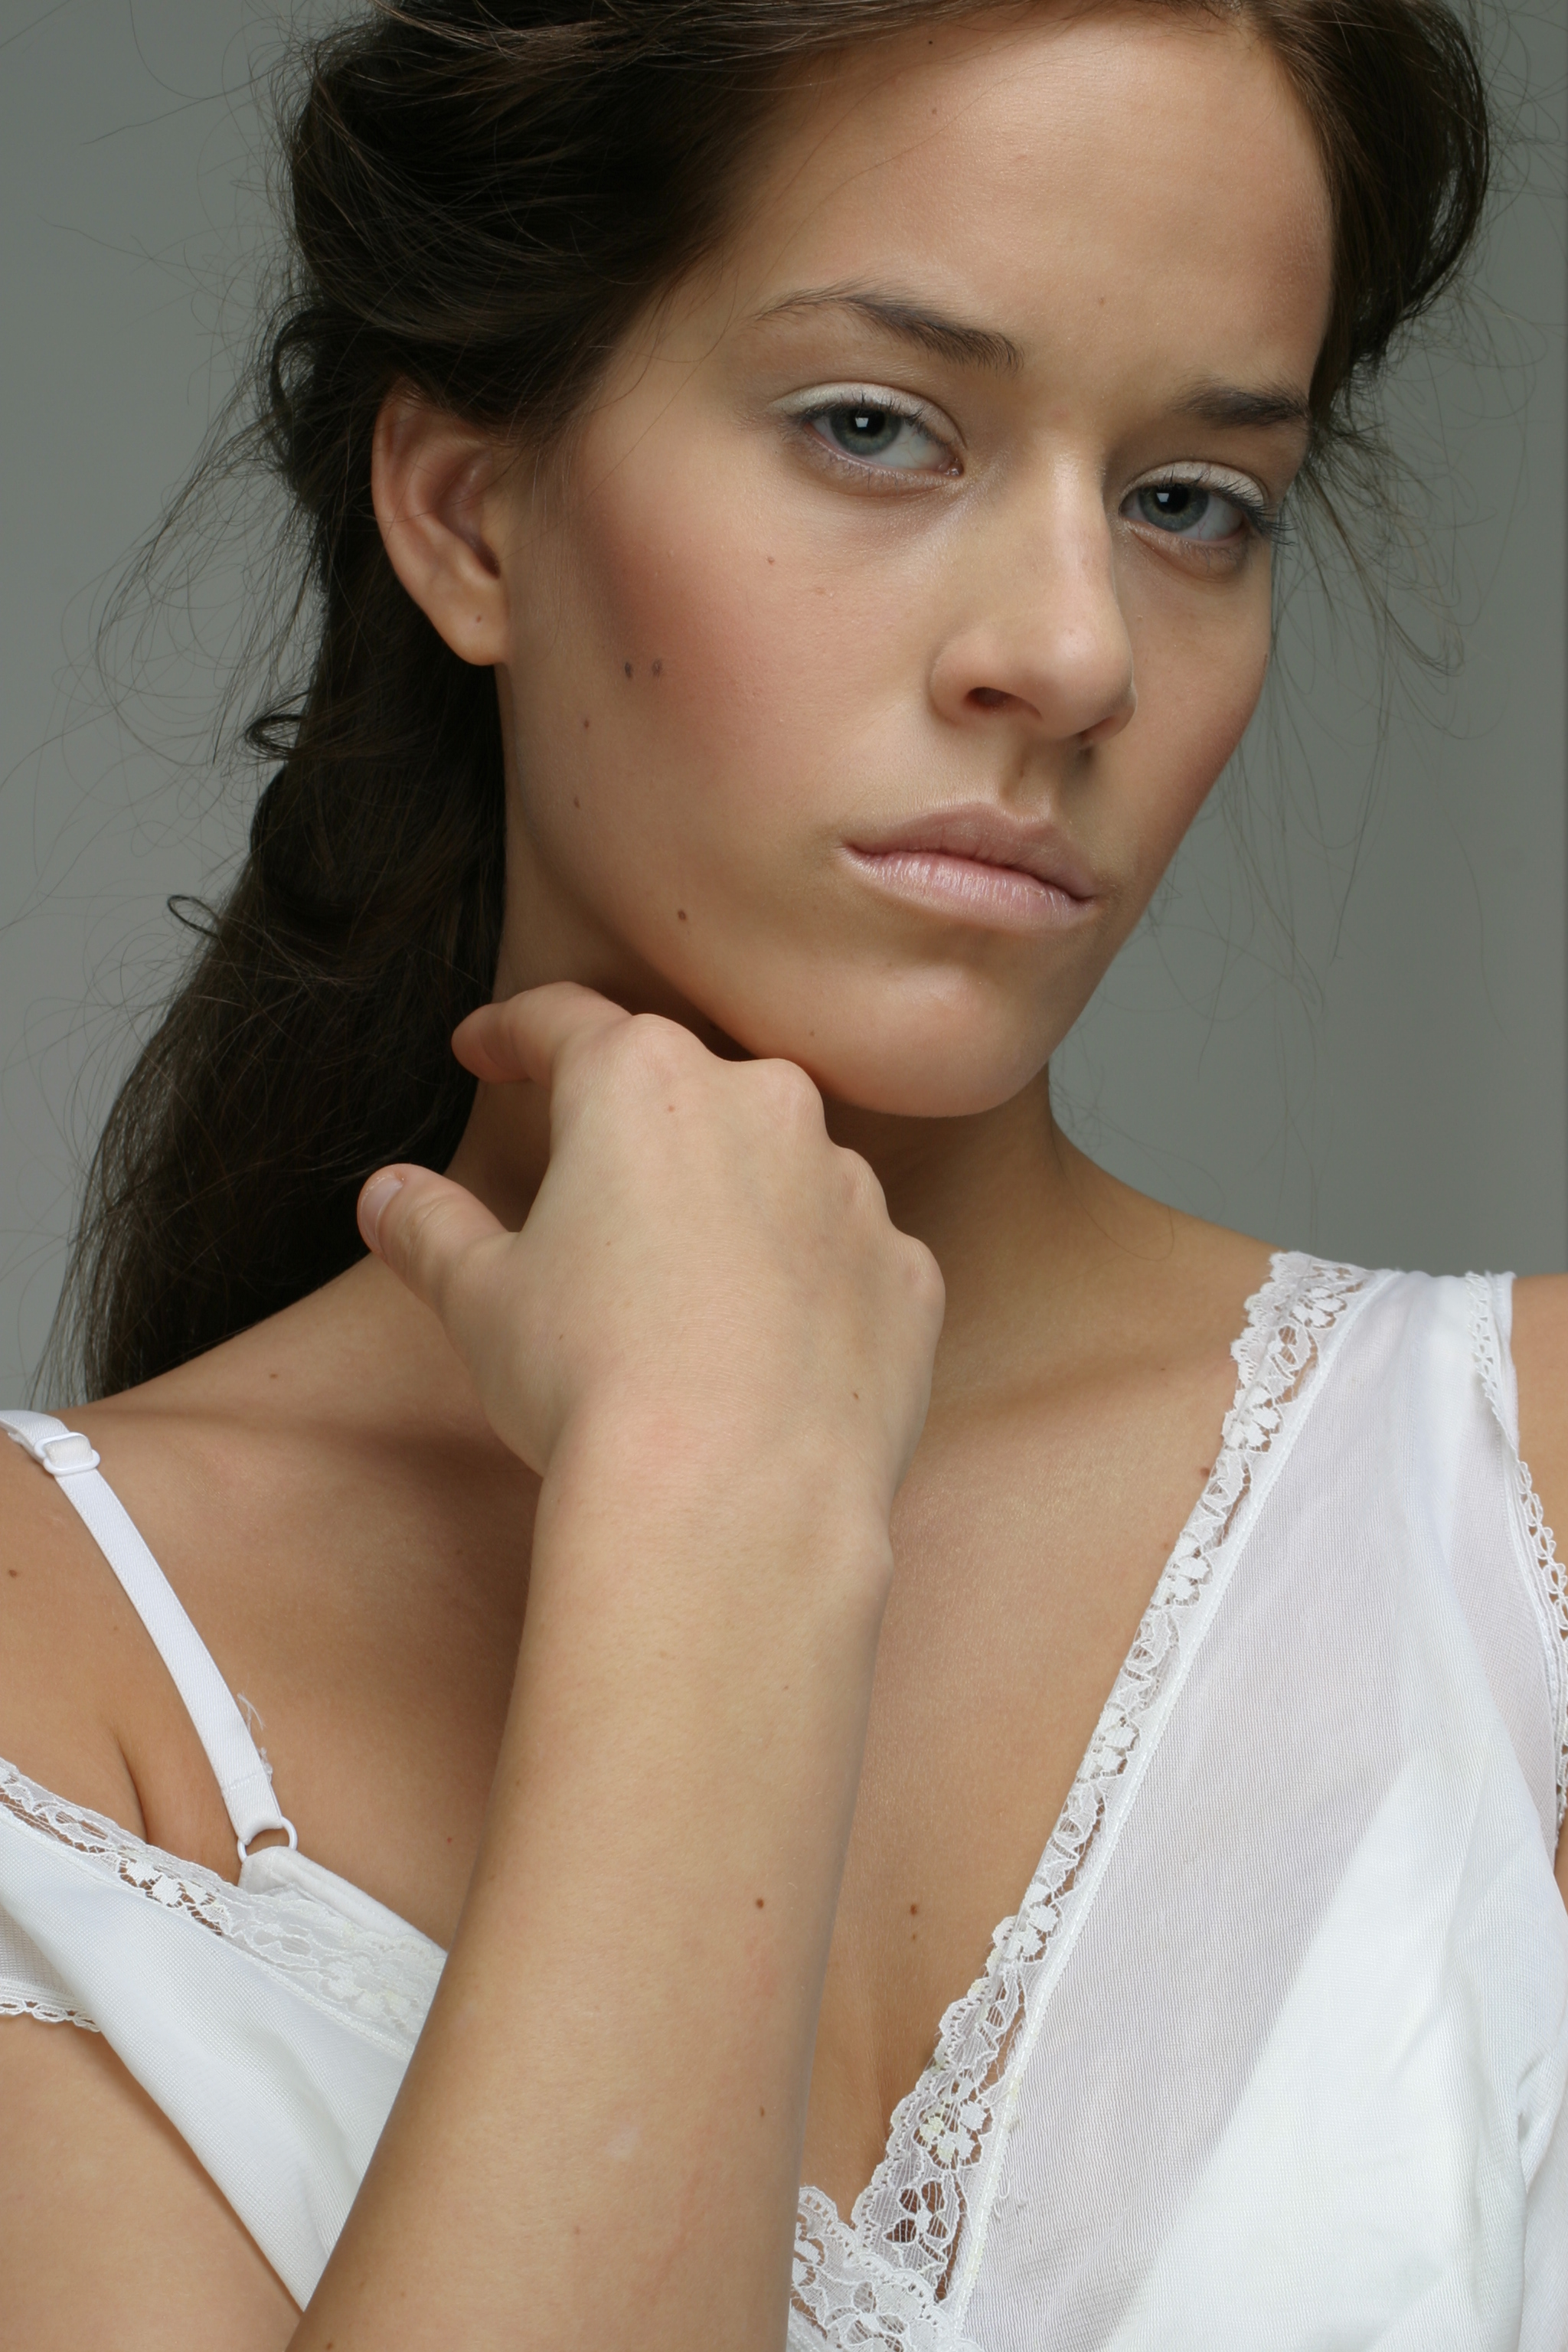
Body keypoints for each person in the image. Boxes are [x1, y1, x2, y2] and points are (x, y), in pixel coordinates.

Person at [0, 1, 1561, 2344]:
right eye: (875, 426)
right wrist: (713, 1524)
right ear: (467, 512)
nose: (1073, 653)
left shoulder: (1514, 1511)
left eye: (1191, 500)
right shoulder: (54, 1669)